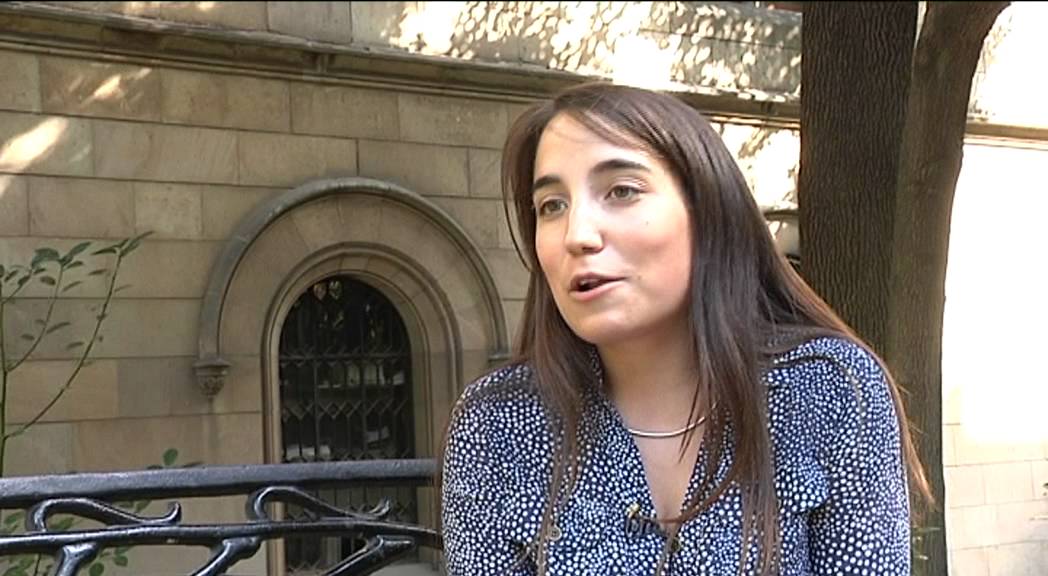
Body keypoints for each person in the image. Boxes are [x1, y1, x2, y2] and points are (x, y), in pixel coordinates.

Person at [440, 82, 929, 575]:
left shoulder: (829, 389)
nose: (578, 235)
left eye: (622, 191)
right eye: (552, 205)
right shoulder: (495, 422)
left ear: (707, 211)